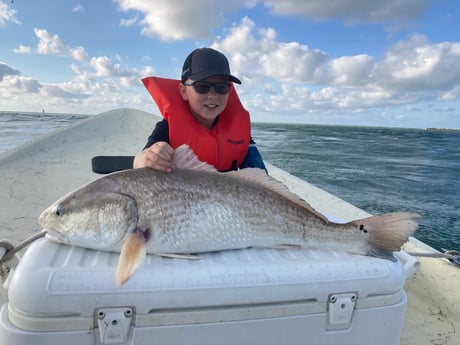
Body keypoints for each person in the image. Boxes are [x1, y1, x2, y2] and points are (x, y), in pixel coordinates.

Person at [134, 47, 266, 173]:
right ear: (184, 91)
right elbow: (141, 161)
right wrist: (145, 159)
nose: (213, 95)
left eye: (221, 87)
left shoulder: (239, 131)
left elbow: (260, 176)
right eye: (202, 86)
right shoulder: (167, 130)